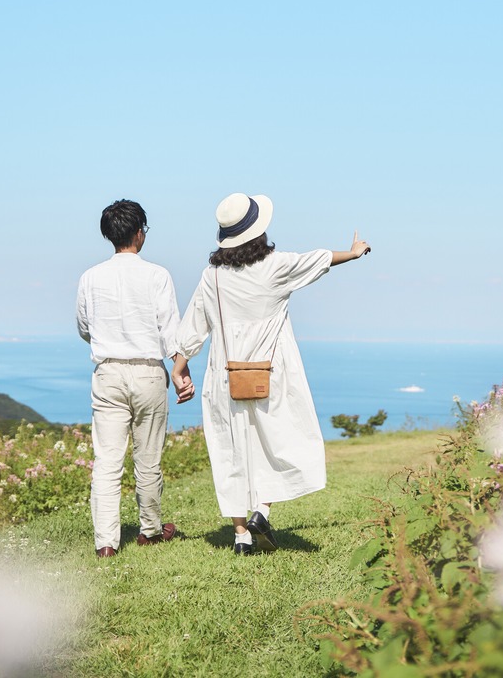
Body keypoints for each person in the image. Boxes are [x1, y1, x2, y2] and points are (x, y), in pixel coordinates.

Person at [172, 192, 371, 554]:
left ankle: (240, 535)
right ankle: (261, 511)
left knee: (230, 448)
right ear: (259, 232)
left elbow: (193, 326)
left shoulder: (211, 276)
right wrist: (355, 251)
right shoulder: (276, 266)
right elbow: (322, 259)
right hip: (270, 372)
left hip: (225, 376)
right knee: (277, 442)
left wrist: (179, 366)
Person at [76, 199, 196, 558]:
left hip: (108, 371)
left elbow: (85, 328)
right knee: (148, 458)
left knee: (107, 461)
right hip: (147, 371)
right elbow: (170, 330)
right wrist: (180, 371)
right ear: (140, 232)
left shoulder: (90, 277)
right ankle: (150, 531)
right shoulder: (157, 275)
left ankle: (107, 544)